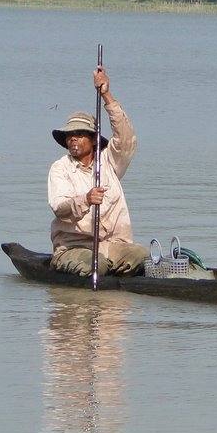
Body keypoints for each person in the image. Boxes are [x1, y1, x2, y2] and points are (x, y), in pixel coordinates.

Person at [47, 65, 148, 276]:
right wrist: (85, 199)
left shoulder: (109, 161)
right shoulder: (60, 168)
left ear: (93, 140)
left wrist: (106, 95)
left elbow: (126, 138)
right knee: (96, 264)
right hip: (75, 247)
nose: (73, 138)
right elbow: (59, 207)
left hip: (111, 245)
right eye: (69, 135)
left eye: (79, 134)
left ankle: (117, 274)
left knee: (142, 255)